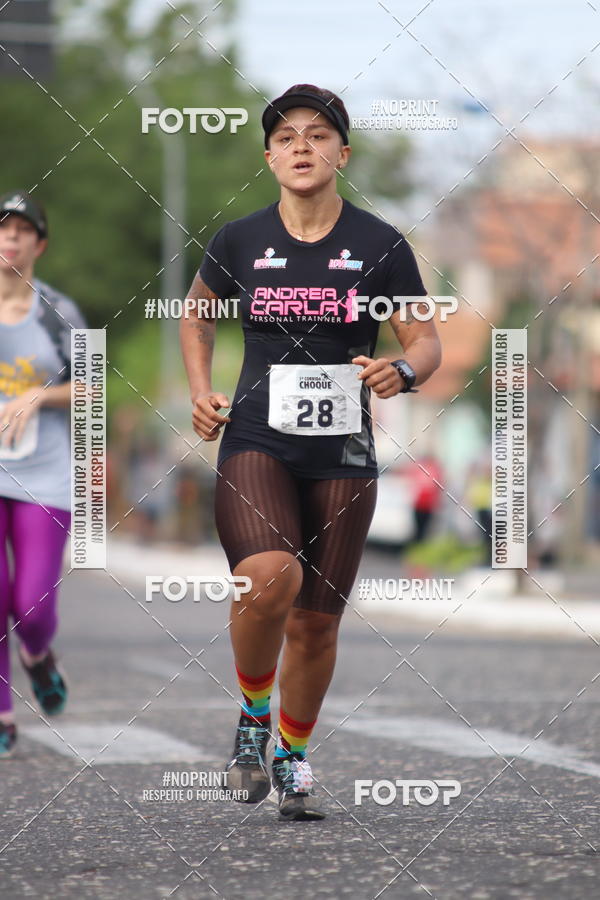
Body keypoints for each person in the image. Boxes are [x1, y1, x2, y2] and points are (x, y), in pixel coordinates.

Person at [180, 85, 441, 819]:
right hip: (256, 440)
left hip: (343, 451)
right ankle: (253, 716)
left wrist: (404, 370)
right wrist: (200, 391)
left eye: (319, 134)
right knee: (269, 578)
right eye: (286, 137)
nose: (302, 146)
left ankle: (292, 754)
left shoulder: (381, 244)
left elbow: (425, 338)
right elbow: (196, 316)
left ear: (342, 154)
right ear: (269, 157)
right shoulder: (238, 240)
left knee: (317, 623)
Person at [0, 191, 86, 758]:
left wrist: (39, 395)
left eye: (22, 230)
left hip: (45, 477)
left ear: (40, 244)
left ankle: (37, 655)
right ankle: (3, 715)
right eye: (3, 228)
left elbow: (94, 387)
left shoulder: (60, 311)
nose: (10, 237)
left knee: (31, 606)